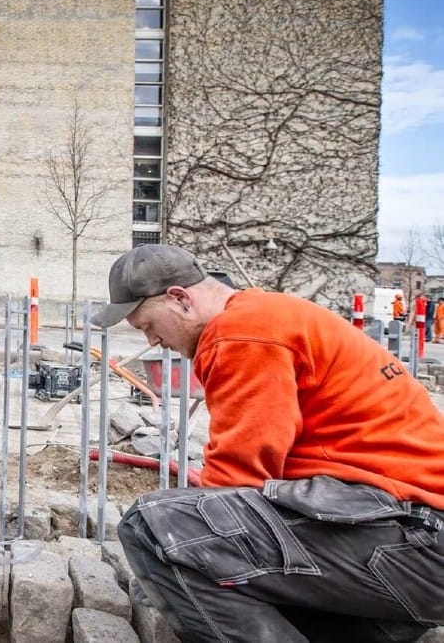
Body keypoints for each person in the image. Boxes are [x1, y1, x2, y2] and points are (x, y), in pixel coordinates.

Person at [91, 244, 444, 642]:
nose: (153, 341)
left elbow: (235, 479)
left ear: (180, 299)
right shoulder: (267, 314)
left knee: (151, 528)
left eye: (147, 326)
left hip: (411, 540)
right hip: (404, 542)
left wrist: (169, 565)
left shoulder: (242, 333)